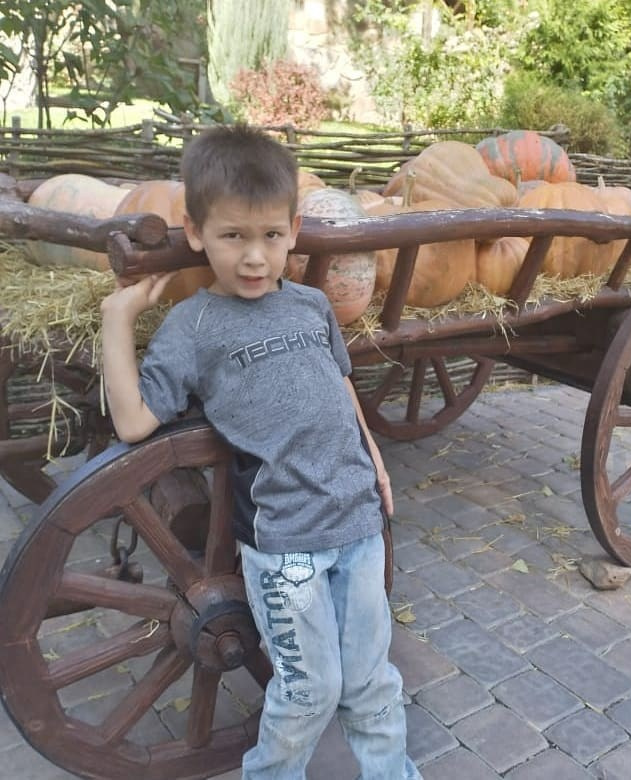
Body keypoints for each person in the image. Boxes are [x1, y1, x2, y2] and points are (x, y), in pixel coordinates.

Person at [100, 124, 422, 780]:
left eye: (271, 237)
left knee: (371, 685)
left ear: (294, 229)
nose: (254, 257)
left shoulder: (310, 305)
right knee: (309, 693)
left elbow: (340, 387)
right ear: (195, 231)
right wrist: (118, 318)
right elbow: (132, 422)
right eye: (232, 236)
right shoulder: (193, 328)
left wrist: (378, 462)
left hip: (360, 526)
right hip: (286, 548)